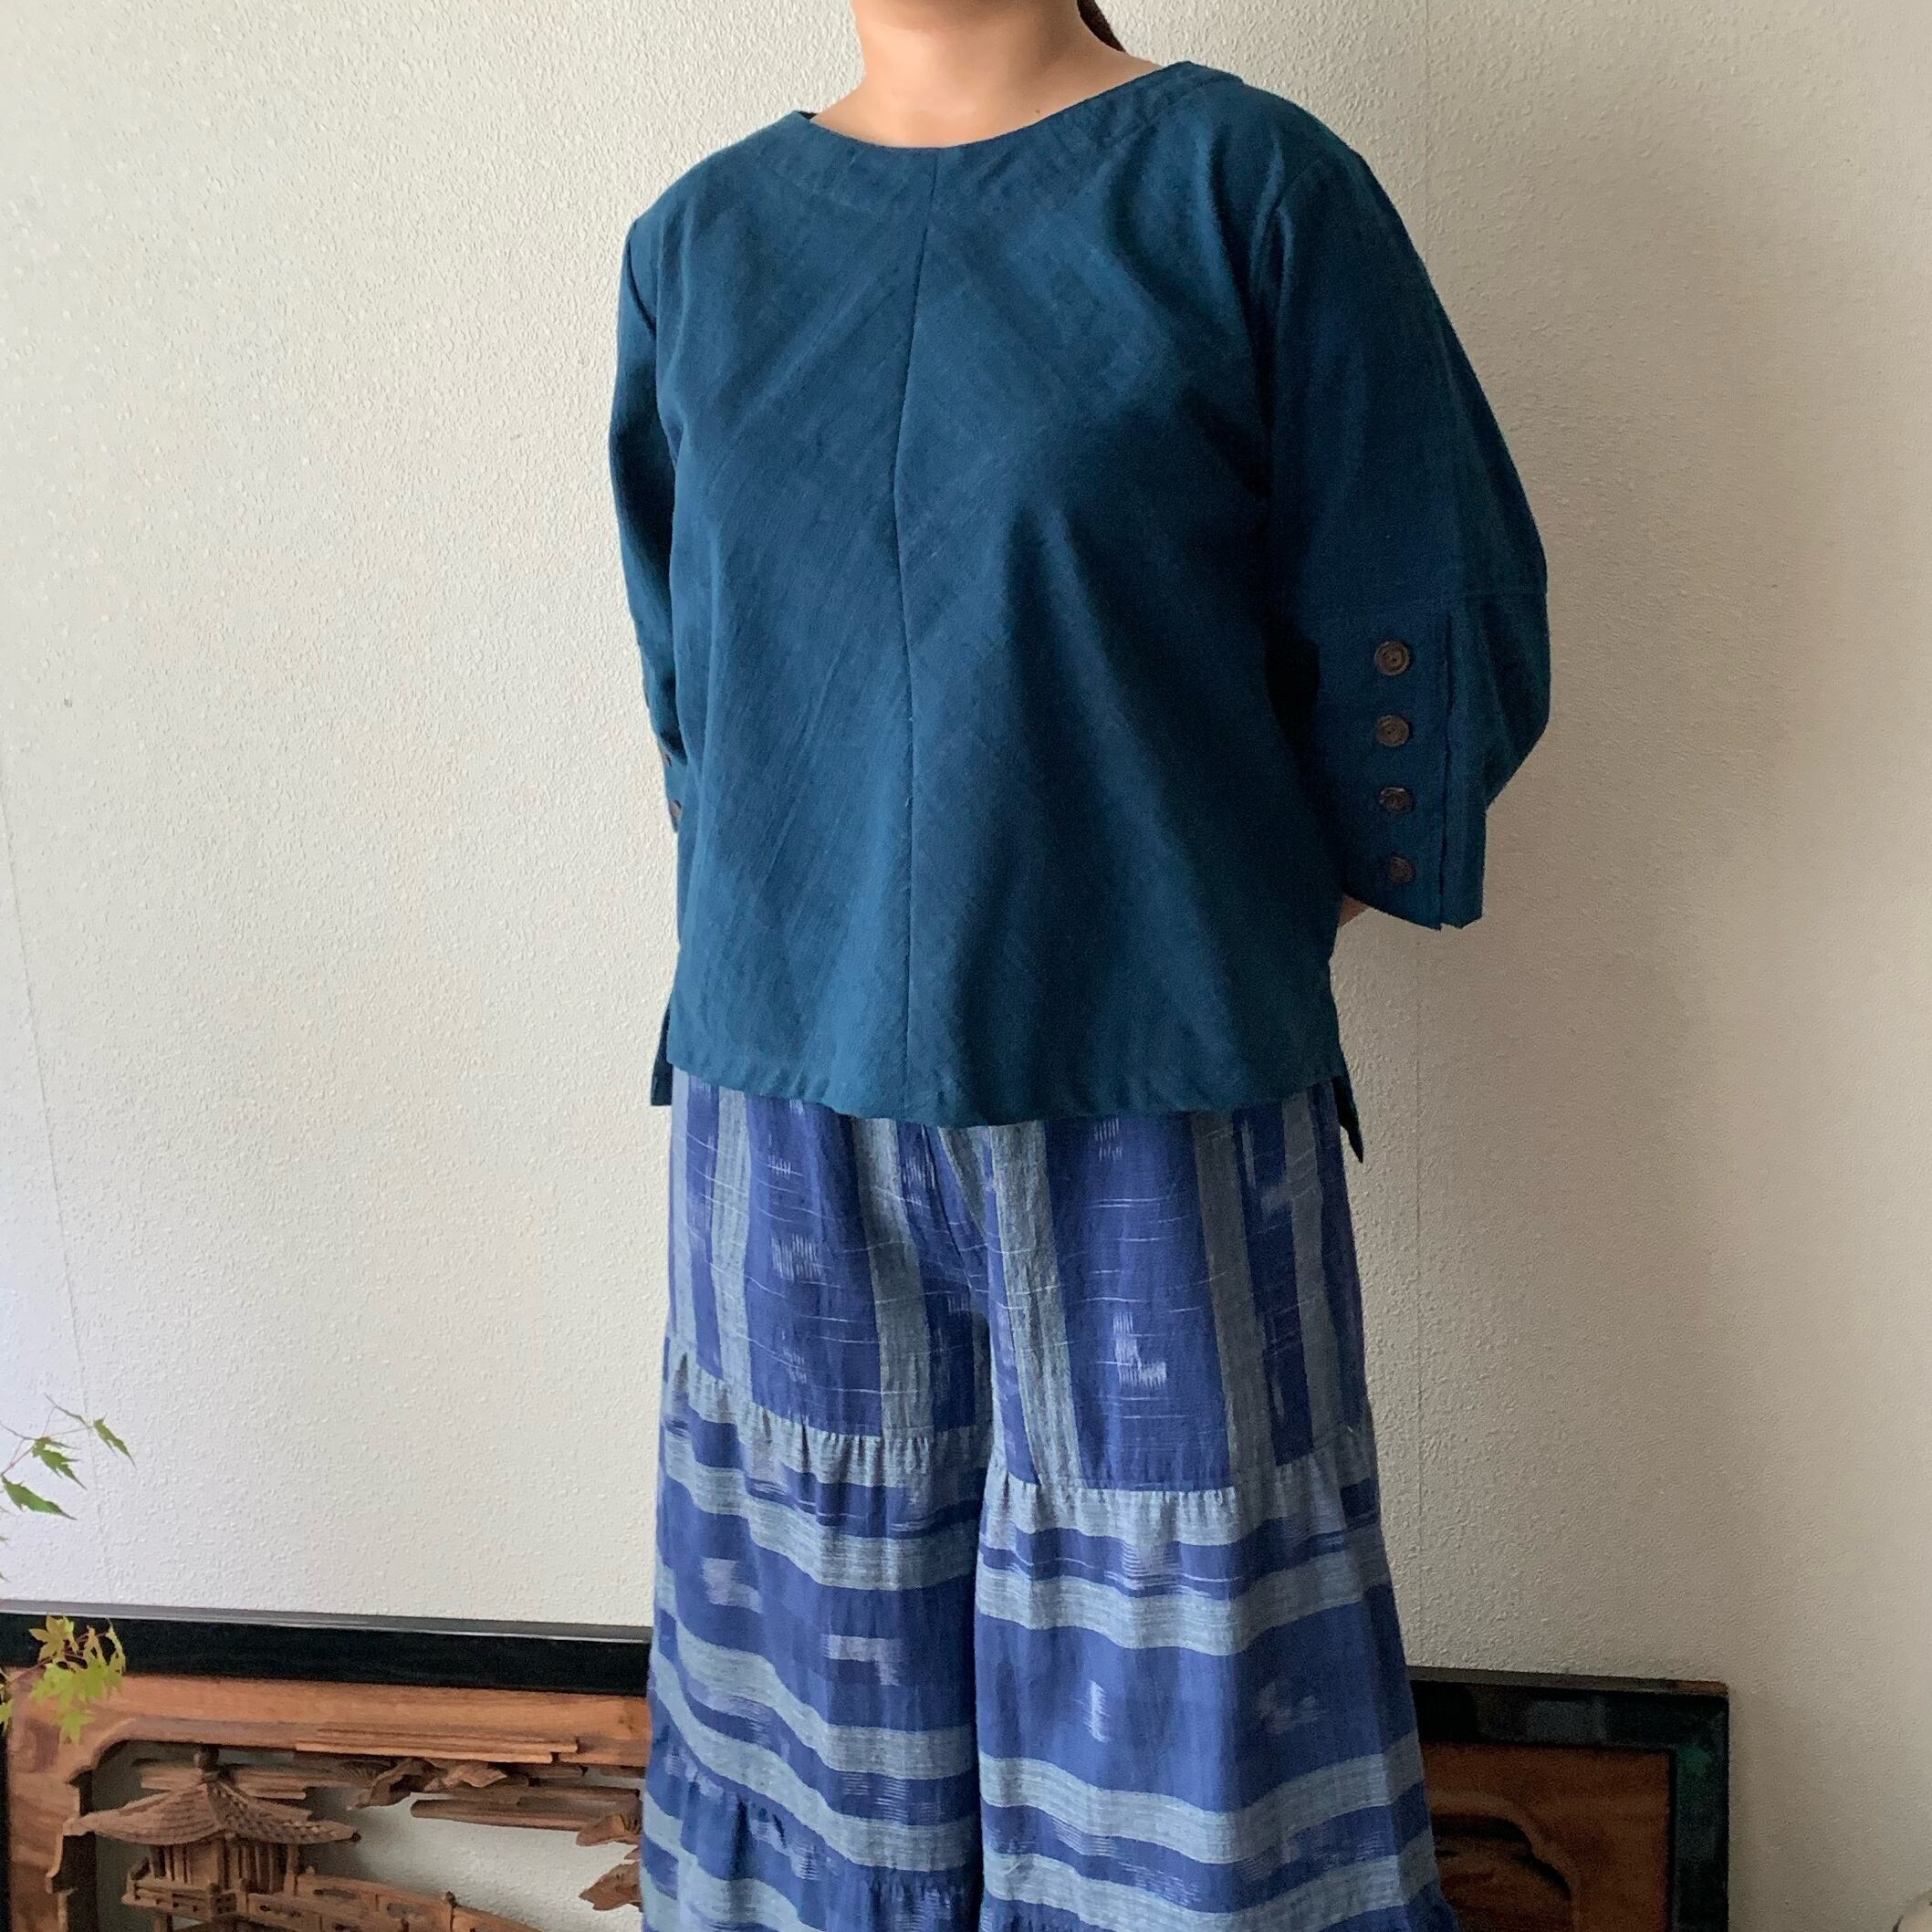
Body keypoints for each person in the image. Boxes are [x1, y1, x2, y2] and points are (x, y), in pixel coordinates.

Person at [607, 2, 1550, 1926]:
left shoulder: (1244, 192)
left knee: (1192, 1750)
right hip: (780, 1109)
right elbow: (694, 680)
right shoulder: (698, 245)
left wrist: (1197, 913)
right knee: (815, 1738)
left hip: (1153, 1100)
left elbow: (1427, 612)